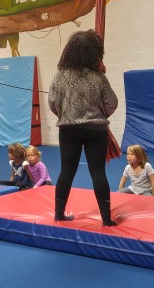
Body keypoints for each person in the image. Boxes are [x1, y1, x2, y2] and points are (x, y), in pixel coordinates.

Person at [49, 30, 118, 225]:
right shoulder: (98, 77)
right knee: (98, 172)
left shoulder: (59, 76)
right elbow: (111, 103)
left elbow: (53, 103)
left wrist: (67, 116)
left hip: (68, 130)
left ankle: (59, 213)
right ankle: (106, 219)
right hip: (95, 130)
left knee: (66, 171)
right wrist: (100, 114)